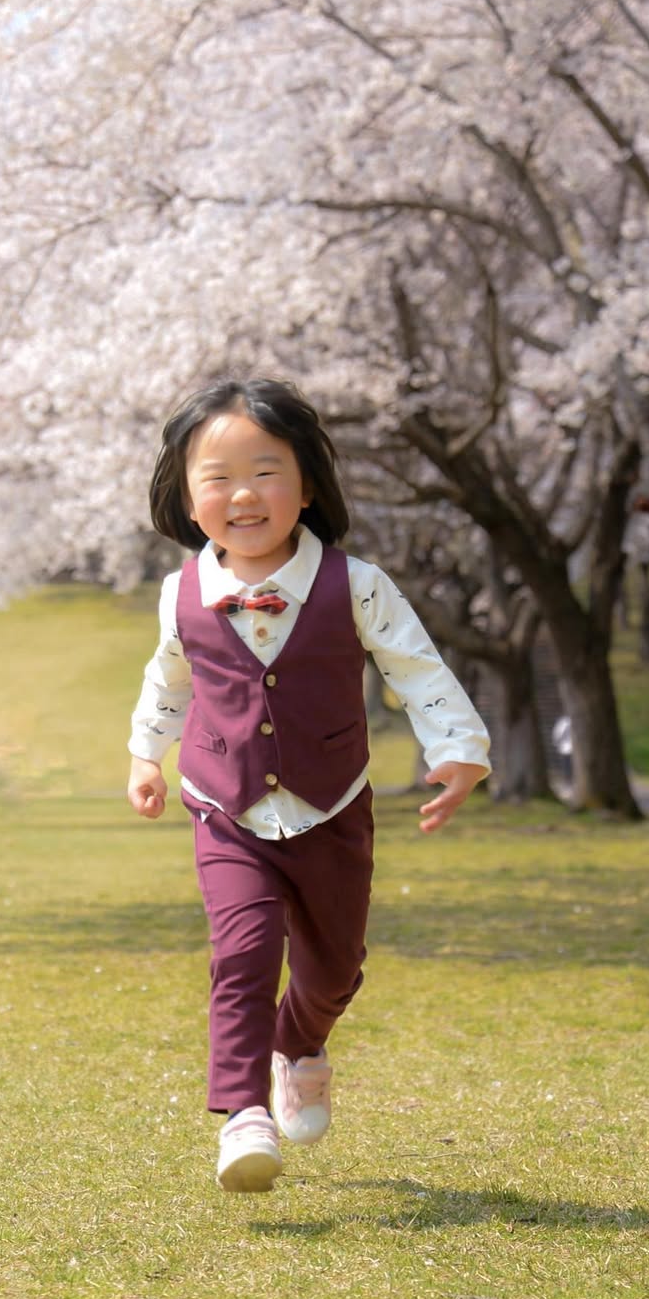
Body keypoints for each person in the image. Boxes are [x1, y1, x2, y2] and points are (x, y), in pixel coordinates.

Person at [127, 378, 490, 1194]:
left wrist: (459, 748)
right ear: (186, 499)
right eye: (216, 477)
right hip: (227, 806)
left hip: (330, 808)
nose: (242, 494)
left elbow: (416, 668)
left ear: (309, 485)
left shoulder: (356, 584)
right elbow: (168, 680)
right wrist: (146, 755)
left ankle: (301, 1044)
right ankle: (242, 1115)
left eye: (266, 471)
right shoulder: (179, 593)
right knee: (244, 951)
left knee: (334, 971)